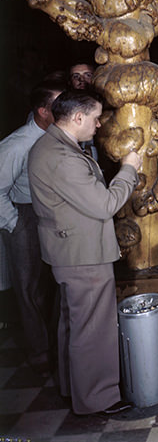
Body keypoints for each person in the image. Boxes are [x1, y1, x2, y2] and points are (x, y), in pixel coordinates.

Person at [27, 90, 142, 416]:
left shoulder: (52, 146)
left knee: (73, 324)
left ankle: (72, 389)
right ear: (77, 117)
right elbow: (104, 205)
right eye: (95, 118)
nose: (99, 124)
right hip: (83, 254)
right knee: (93, 328)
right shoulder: (62, 157)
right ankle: (98, 399)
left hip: (67, 250)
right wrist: (129, 169)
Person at [0, 81, 63, 375]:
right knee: (28, 288)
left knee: (49, 284)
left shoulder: (55, 138)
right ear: (42, 111)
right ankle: (38, 351)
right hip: (22, 215)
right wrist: (15, 224)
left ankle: (52, 346)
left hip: (46, 213)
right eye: (58, 106)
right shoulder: (18, 144)